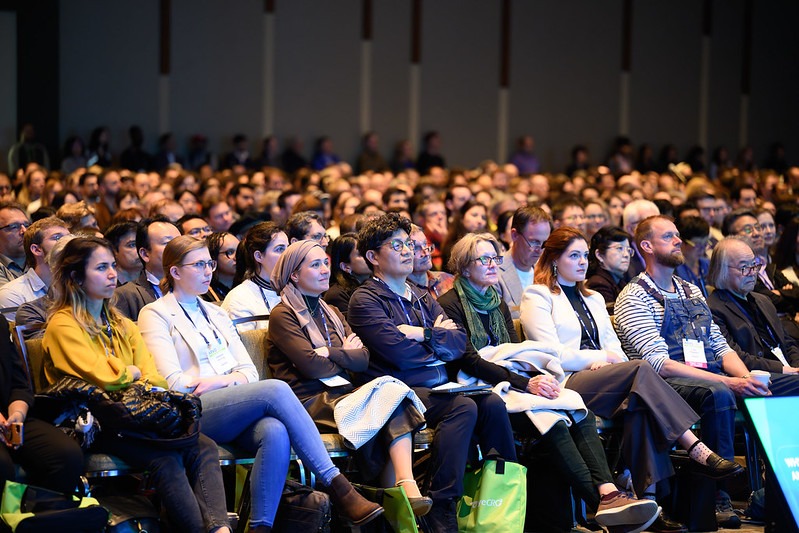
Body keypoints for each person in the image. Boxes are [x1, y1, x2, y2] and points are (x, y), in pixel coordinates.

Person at [138, 236, 383, 531]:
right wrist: (231, 381)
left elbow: (249, 373)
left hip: (230, 402)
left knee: (274, 430)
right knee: (276, 389)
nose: (208, 271)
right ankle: (339, 487)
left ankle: (260, 527)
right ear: (175, 272)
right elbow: (175, 382)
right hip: (189, 410)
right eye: (199, 264)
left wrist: (220, 381)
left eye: (209, 264)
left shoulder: (215, 312)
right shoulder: (155, 313)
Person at [522, 226, 743, 532]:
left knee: (640, 400)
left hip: (607, 380)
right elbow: (549, 354)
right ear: (554, 260)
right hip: (567, 383)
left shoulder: (595, 297)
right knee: (640, 370)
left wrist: (611, 362)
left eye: (585, 256)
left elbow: (614, 347)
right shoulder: (538, 295)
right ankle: (695, 447)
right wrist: (598, 360)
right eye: (574, 256)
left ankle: (648, 504)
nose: (582, 262)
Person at [439, 233, 660, 533]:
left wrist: (534, 376)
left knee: (575, 407)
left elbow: (516, 351)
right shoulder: (449, 303)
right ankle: (602, 503)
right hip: (478, 386)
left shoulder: (496, 301)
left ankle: (609, 494)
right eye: (484, 260)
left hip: (510, 377)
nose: (493, 265)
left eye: (495, 258)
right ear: (464, 268)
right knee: (551, 420)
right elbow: (467, 359)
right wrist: (525, 383)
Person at [42, 237, 232, 533]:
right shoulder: (62, 324)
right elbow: (102, 377)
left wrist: (128, 374)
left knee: (202, 444)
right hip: (97, 423)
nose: (112, 275)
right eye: (101, 267)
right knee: (165, 458)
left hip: (136, 415)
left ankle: (220, 529)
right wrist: (128, 373)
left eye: (112, 266)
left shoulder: (122, 324)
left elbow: (153, 377)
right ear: (76, 277)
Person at [347, 213, 517, 532]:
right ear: (372, 256)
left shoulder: (422, 295)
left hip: (438, 386)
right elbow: (400, 355)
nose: (408, 250)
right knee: (463, 407)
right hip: (399, 392)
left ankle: (499, 499)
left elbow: (457, 343)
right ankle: (442, 506)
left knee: (492, 403)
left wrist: (421, 334)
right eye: (396, 245)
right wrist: (435, 341)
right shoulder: (366, 299)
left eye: (409, 243)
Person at [614, 215, 771, 528]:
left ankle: (774, 490)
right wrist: (730, 382)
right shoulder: (633, 297)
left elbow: (719, 346)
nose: (677, 241)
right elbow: (659, 364)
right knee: (719, 393)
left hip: (707, 374)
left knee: (779, 388)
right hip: (662, 387)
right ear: (646, 246)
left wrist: (745, 378)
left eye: (677, 235)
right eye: (668, 236)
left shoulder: (691, 290)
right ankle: (720, 496)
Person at [267, 240, 431, 515]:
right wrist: (343, 354)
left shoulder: (329, 310)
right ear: (294, 274)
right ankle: (400, 494)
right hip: (307, 400)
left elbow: (362, 359)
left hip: (342, 393)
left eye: (325, 264)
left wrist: (330, 352)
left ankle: (400, 491)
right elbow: (311, 368)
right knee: (390, 400)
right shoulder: (282, 314)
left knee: (395, 396)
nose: (324, 271)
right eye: (315, 265)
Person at [0, 311, 83, 493]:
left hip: (9, 416)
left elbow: (19, 384)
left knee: (66, 455)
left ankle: (42, 517)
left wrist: (17, 415)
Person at [707, 238, 799, 382]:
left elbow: (788, 342)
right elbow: (734, 355)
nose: (752, 273)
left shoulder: (763, 300)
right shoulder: (713, 308)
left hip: (789, 372)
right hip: (759, 377)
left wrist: (796, 366)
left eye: (754, 265)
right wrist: (782, 369)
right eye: (744, 267)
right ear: (722, 270)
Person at [0, 217, 69, 321]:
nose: (68, 243)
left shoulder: (79, 286)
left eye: (69, 237)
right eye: (57, 238)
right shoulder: (13, 294)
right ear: (37, 249)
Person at [222, 222, 286, 332]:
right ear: (259, 256)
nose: (288, 254)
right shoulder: (239, 299)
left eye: (288, 248)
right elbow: (247, 346)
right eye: (280, 249)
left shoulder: (294, 290)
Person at [115, 217, 180, 320]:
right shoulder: (126, 295)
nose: (178, 248)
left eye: (180, 242)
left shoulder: (194, 287)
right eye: (167, 243)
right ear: (145, 254)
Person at [497, 206, 551, 318]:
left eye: (544, 243)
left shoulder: (547, 272)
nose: (539, 249)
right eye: (534, 242)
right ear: (514, 235)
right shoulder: (494, 273)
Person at [585, 226, 633, 312]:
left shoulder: (620, 281)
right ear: (599, 255)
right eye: (619, 248)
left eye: (628, 250)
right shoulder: (598, 284)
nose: (626, 255)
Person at [323, 233, 370, 316]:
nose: (368, 256)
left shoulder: (375, 284)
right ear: (346, 267)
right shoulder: (336, 295)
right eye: (361, 254)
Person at [406, 225, 453, 300]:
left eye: (425, 244)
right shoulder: (403, 293)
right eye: (416, 248)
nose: (426, 253)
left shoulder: (448, 280)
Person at [674, 216, 710, 297]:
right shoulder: (674, 270)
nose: (702, 249)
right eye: (697, 245)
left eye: (705, 244)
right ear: (681, 242)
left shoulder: (708, 265)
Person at [0, 202, 31, 286]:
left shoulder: (40, 260)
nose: (24, 231)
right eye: (14, 226)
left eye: (27, 225)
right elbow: (9, 299)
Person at [203, 232, 239, 303]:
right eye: (230, 252)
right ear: (212, 257)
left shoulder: (250, 285)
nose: (237, 256)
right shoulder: (204, 292)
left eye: (239, 251)